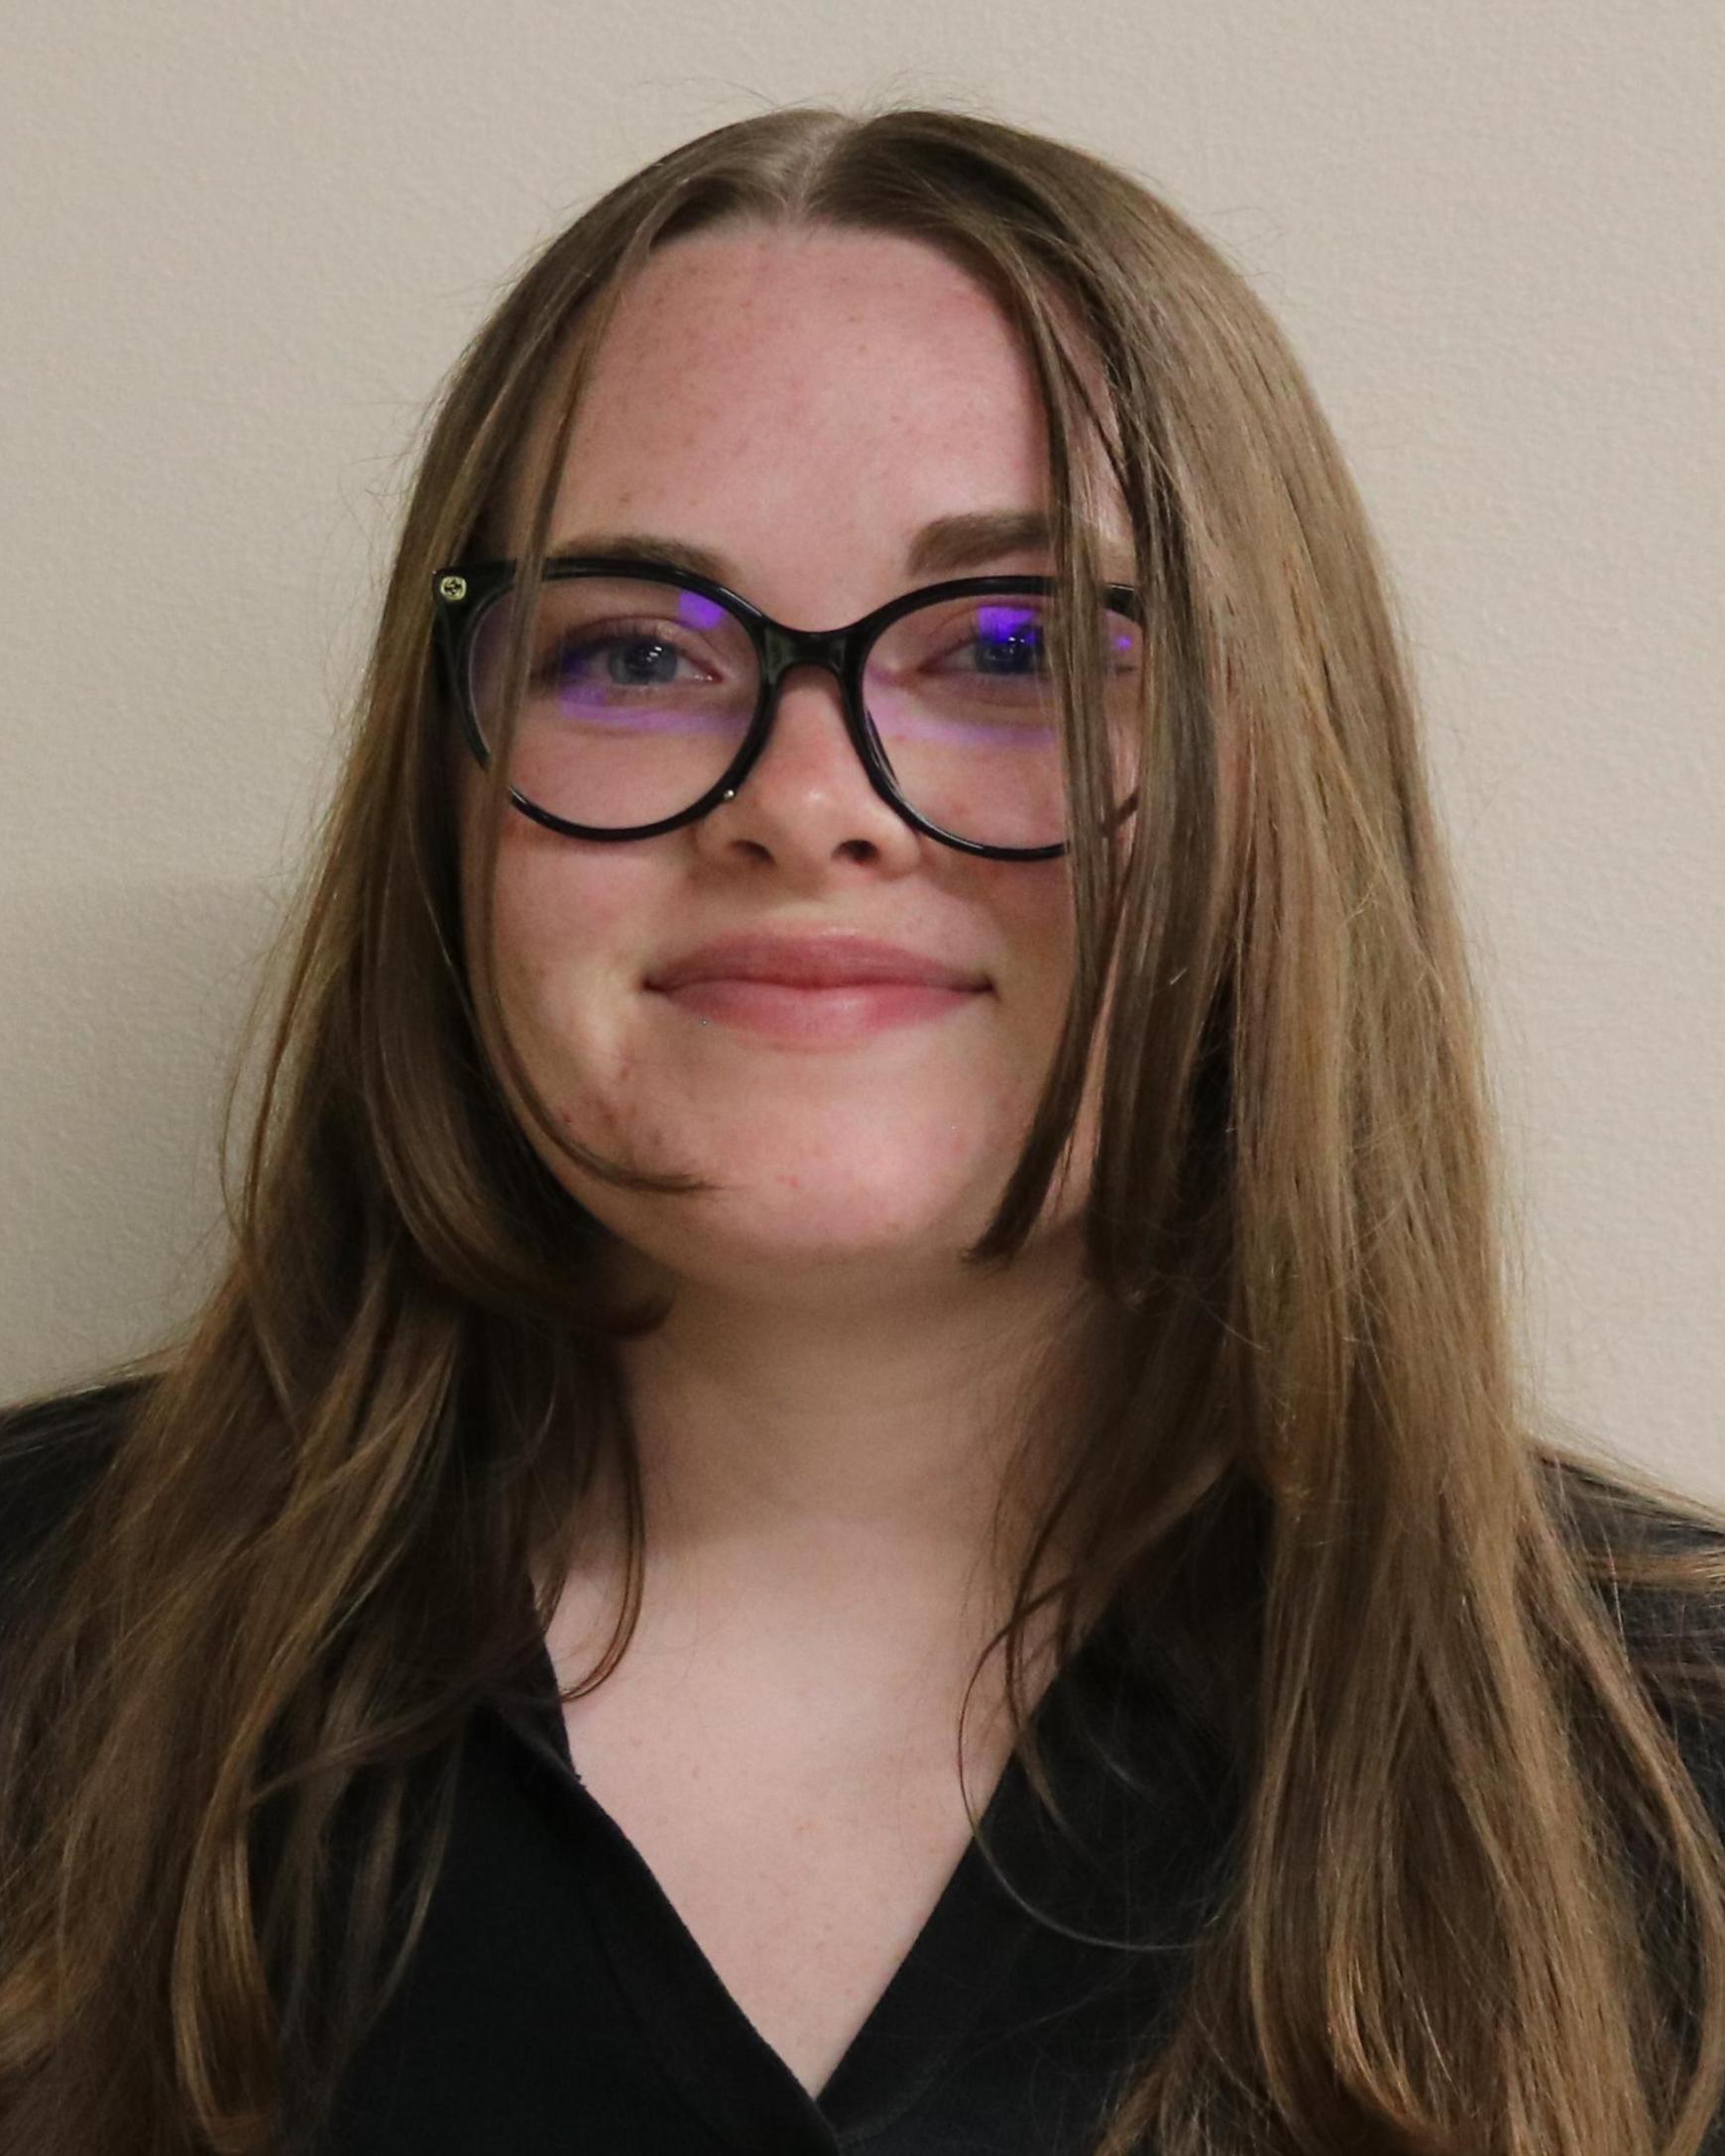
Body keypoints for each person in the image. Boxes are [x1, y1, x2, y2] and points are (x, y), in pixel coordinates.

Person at [2, 100, 1723, 2156]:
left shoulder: (1678, 1769)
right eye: (635, 648)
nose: (807, 801)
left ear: (1280, 777)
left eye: (1017, 647)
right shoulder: (35, 1652)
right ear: (439, 789)